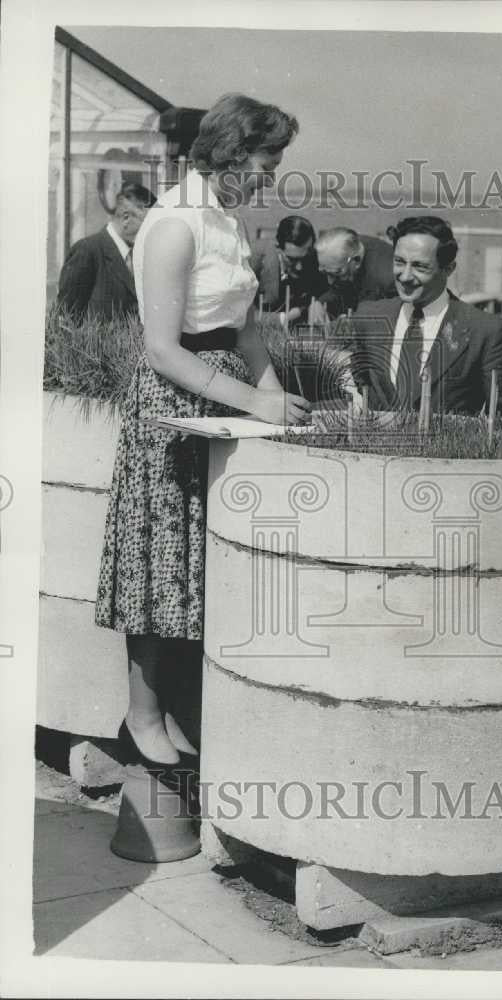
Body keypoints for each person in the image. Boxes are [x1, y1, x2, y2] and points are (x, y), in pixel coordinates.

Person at [95, 93, 311, 768]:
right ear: (228, 153)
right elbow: (163, 349)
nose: (272, 173)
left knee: (199, 565)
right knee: (159, 569)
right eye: (266, 158)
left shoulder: (224, 223)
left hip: (220, 407)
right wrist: (252, 401)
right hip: (171, 408)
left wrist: (274, 398)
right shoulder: (173, 225)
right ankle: (142, 717)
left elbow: (243, 330)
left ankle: (174, 713)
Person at [352, 216, 502, 415]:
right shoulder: (368, 318)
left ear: (448, 269)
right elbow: (359, 392)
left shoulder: (485, 332)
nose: (405, 276)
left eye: (420, 266)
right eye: (399, 262)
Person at [56, 182, 156, 321]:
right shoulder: (87, 251)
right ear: (126, 218)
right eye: (148, 224)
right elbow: (65, 320)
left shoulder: (138, 257)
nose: (152, 232)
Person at [251, 215, 327, 323]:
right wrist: (281, 319)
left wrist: (317, 302)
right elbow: (239, 314)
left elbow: (327, 290)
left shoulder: (315, 256)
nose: (299, 267)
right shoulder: (254, 258)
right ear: (278, 247)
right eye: (292, 259)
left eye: (304, 258)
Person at [316, 227, 397, 319]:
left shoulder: (385, 278)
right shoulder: (349, 244)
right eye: (323, 271)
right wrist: (320, 303)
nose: (329, 281)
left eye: (336, 273)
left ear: (356, 261)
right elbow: (338, 287)